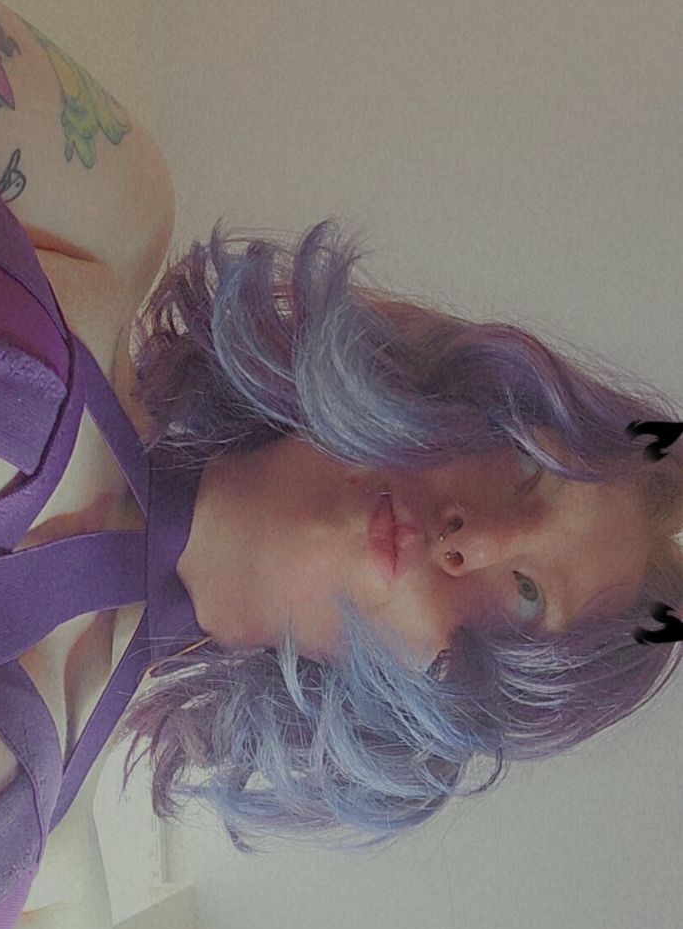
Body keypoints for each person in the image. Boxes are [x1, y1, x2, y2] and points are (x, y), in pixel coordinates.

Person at [115, 219, 683, 854]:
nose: (469, 543)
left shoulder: (61, 759)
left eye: (527, 597)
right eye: (525, 466)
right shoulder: (105, 237)